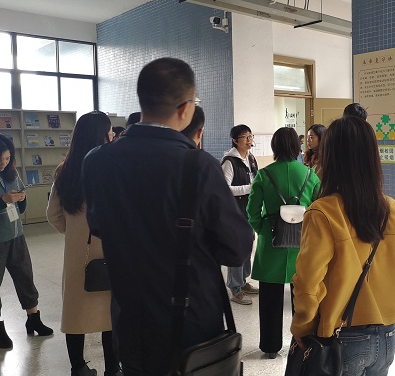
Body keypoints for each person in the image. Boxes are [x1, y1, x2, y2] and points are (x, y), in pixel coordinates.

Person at [82, 58, 253, 375]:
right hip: (191, 322)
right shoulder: (198, 165)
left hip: (130, 317)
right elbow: (236, 249)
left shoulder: (97, 161)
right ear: (186, 108)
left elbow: (98, 226)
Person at [291, 116, 395, 376]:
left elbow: (308, 282)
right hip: (386, 335)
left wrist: (303, 325)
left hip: (340, 337)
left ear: (331, 156)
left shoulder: (323, 212)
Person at [47, 112, 121, 376]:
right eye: (110, 132)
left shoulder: (64, 170)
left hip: (79, 253)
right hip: (111, 250)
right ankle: (113, 369)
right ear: (102, 135)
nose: (112, 136)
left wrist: (74, 233)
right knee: (110, 314)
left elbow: (53, 214)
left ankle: (78, 368)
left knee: (75, 312)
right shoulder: (113, 168)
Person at [247, 127, 320, 359]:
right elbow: (318, 209)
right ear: (297, 147)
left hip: (272, 242)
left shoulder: (264, 174)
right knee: (303, 297)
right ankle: (302, 344)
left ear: (274, 146)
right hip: (302, 242)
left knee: (269, 299)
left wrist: (263, 230)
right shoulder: (309, 175)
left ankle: (270, 346)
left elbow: (252, 211)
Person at [0, 134, 53, 350]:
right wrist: (3, 200)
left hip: (15, 235)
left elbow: (21, 203)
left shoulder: (11, 174)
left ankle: (33, 318)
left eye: (7, 158)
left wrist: (21, 198)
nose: (3, 163)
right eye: (0, 159)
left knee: (25, 276)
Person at [221, 124, 259, 305]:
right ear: (235, 141)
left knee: (247, 245)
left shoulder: (250, 158)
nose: (249, 140)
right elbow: (224, 189)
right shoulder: (230, 161)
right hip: (235, 212)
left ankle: (243, 281)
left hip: (248, 210)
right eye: (245, 137)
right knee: (237, 248)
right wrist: (249, 188)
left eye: (251, 136)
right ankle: (235, 288)